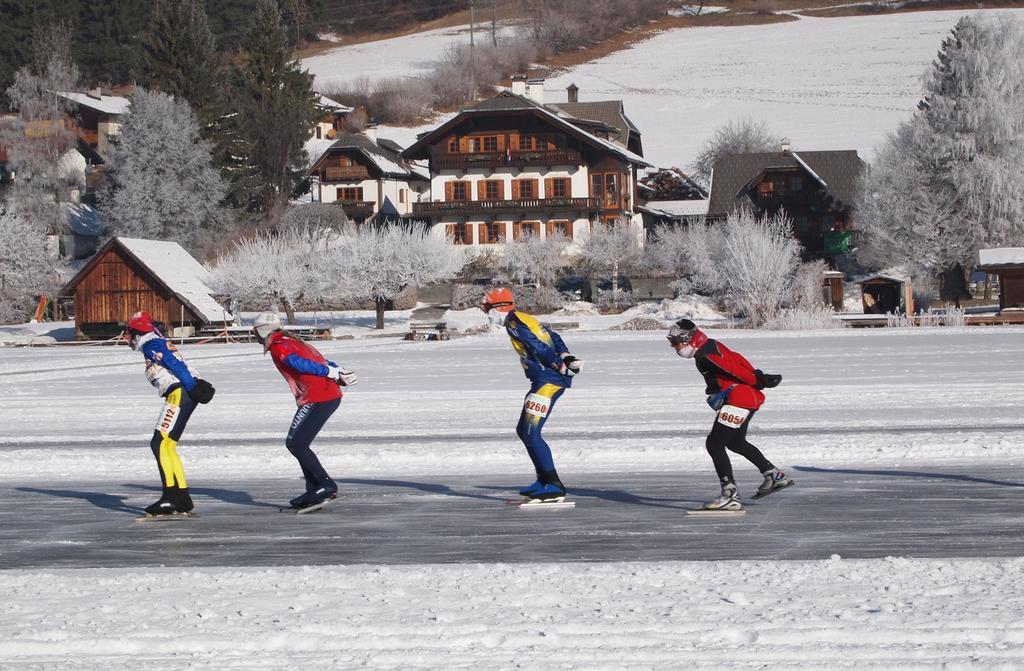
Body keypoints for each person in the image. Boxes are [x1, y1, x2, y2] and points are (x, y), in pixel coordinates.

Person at [667, 318, 793, 511]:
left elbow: (732, 368)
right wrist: (756, 375)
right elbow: (737, 358)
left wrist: (756, 380)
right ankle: (774, 475)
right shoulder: (711, 344)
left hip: (738, 400)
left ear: (688, 339)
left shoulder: (704, 356)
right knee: (735, 442)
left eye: (675, 342)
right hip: (746, 399)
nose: (673, 347)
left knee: (714, 444)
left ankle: (729, 494)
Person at [482, 287, 582, 502]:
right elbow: (553, 336)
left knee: (530, 432)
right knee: (524, 430)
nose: (485, 312)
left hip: (548, 380)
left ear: (499, 307)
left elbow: (536, 346)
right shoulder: (525, 317)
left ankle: (554, 485)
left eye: (487, 307)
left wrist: (558, 365)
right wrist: (565, 355)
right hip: (547, 379)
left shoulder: (514, 324)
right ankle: (543, 480)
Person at [253, 312, 357, 511]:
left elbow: (299, 363)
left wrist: (331, 371)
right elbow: (320, 359)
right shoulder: (291, 340)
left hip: (317, 397)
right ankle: (314, 489)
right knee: (299, 444)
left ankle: (325, 485)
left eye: (256, 331)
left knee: (296, 444)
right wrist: (337, 370)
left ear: (263, 330)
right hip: (326, 396)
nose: (255, 336)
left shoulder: (279, 346)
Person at [125, 311, 215, 516]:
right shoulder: (156, 340)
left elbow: (175, 364)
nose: (127, 338)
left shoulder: (151, 345)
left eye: (129, 333)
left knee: (158, 443)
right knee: (168, 445)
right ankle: (182, 497)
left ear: (138, 332)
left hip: (179, 392)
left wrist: (192, 387)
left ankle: (170, 498)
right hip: (184, 392)